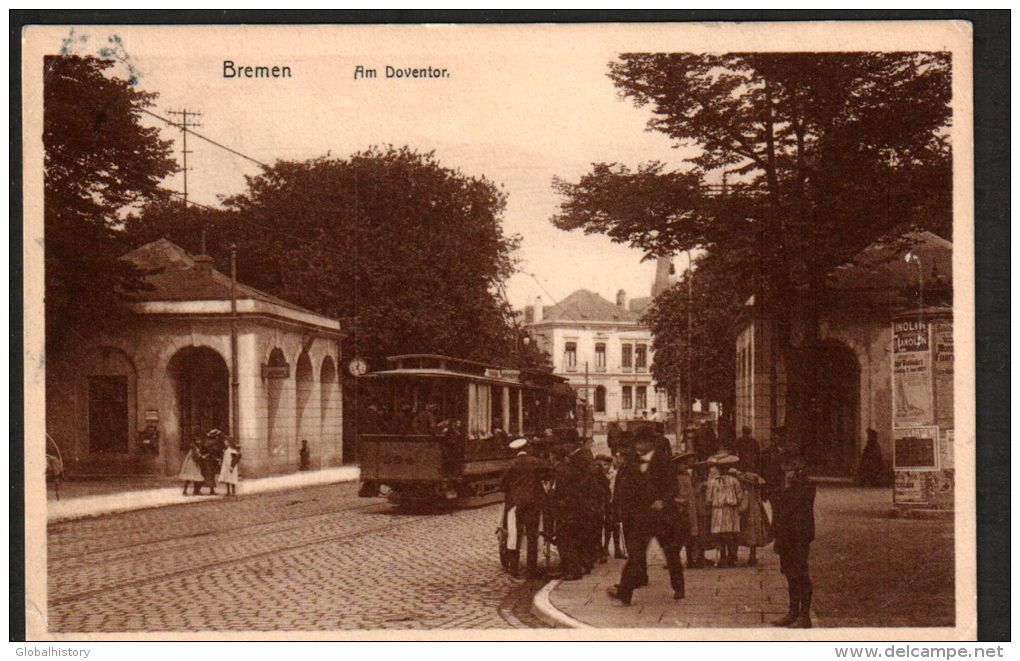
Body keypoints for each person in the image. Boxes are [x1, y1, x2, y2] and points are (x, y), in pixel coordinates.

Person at [606, 428, 686, 606]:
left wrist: (663, 501)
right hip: (641, 518)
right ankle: (624, 593)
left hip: (663, 517)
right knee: (635, 555)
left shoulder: (664, 461)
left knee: (671, 553)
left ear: (651, 443)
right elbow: (624, 489)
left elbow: (673, 487)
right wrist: (623, 511)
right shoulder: (631, 463)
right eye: (636, 443)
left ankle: (678, 587)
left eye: (642, 443)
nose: (638, 446)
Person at [771, 455, 816, 628]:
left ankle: (805, 616)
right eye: (786, 467)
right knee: (789, 573)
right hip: (785, 536)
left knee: (800, 574)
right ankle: (793, 612)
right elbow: (776, 505)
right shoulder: (784, 487)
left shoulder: (807, 486)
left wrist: (789, 487)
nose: (787, 471)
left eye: (791, 467)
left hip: (799, 536)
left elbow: (792, 505)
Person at [500, 438, 553, 578]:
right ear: (527, 448)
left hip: (515, 504)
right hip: (533, 503)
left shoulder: (511, 465)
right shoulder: (535, 462)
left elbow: (503, 486)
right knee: (532, 535)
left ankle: (514, 569)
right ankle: (531, 569)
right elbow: (550, 470)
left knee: (514, 534)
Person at [705, 451, 743, 567]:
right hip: (730, 510)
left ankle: (723, 557)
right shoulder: (735, 481)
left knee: (720, 535)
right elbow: (739, 496)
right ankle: (730, 558)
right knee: (730, 534)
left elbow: (709, 499)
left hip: (718, 510)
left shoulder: (712, 482)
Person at [733, 466, 771, 566]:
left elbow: (744, 506)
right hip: (757, 511)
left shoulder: (746, 491)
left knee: (747, 533)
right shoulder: (757, 490)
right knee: (754, 533)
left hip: (749, 513)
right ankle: (752, 555)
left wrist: (738, 510)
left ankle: (738, 555)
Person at [671, 452, 702, 567]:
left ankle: (691, 560)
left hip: (690, 510)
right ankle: (674, 559)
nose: (684, 466)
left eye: (685, 464)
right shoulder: (673, 479)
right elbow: (671, 495)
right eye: (682, 464)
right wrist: (679, 501)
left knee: (690, 536)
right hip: (680, 511)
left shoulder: (687, 477)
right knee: (678, 536)